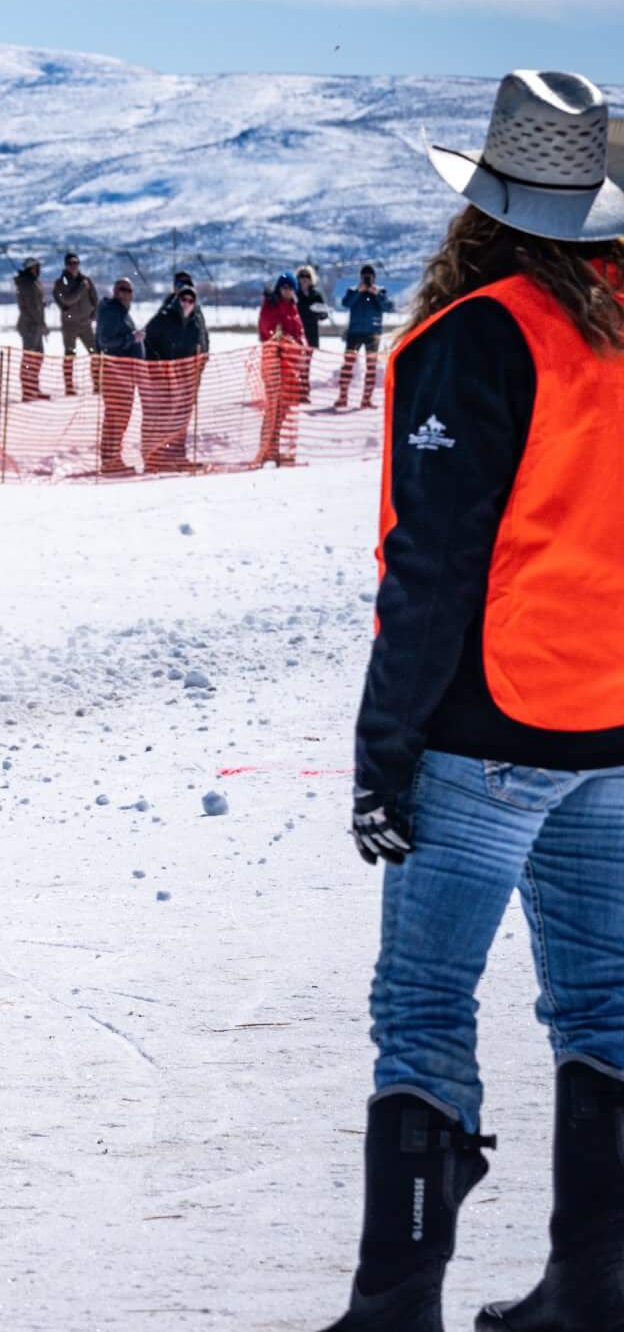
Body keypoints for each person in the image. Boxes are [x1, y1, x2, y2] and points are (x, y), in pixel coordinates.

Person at [319, 70, 624, 1332]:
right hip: (613, 724)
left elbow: (431, 565)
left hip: (489, 728)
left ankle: (396, 1305)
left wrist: (384, 746)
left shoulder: (479, 336)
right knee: (605, 1004)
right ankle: (596, 1289)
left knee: (425, 1008)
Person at [140, 281, 208, 470]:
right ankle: (153, 458)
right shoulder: (164, 317)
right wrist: (157, 365)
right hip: (162, 378)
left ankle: (177, 456)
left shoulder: (195, 322)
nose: (186, 303)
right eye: (183, 299)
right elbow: (148, 341)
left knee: (181, 419)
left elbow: (201, 345)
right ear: (177, 300)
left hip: (185, 379)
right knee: (160, 418)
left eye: (190, 300)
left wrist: (199, 365)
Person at [93, 277, 144, 475]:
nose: (125, 293)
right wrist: (132, 338)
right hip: (116, 373)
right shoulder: (110, 311)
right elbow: (106, 341)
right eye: (121, 289)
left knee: (119, 417)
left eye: (129, 290)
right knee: (116, 417)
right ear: (115, 291)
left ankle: (112, 459)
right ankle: (110, 460)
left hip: (126, 373)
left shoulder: (120, 312)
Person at [256, 274, 307, 466]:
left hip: (290, 364)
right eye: (284, 287)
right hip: (274, 363)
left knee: (283, 409)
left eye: (290, 287)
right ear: (279, 288)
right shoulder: (271, 305)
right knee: (273, 408)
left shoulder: (292, 306)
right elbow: (267, 330)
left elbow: (298, 332)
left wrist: (300, 348)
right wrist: (282, 338)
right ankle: (265, 449)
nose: (287, 290)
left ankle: (274, 448)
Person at [334, 265, 392, 410]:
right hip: (354, 333)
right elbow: (345, 303)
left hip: (372, 334)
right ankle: (342, 397)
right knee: (347, 366)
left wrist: (377, 294)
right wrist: (358, 292)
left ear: (374, 277)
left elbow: (388, 307)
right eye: (365, 275)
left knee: (371, 368)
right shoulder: (353, 290)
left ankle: (366, 400)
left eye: (370, 276)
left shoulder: (380, 291)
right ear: (360, 277)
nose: (367, 278)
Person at [53, 252, 97, 395]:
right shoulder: (60, 283)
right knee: (70, 354)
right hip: (69, 325)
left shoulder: (86, 281)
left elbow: (94, 299)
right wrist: (81, 288)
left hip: (85, 324)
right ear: (66, 265)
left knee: (95, 353)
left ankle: (98, 383)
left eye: (76, 263)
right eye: (71, 263)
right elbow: (67, 300)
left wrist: (94, 314)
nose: (74, 266)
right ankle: (69, 387)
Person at [14, 257, 50, 402]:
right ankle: (27, 391)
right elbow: (33, 308)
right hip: (30, 326)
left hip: (35, 325)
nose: (38, 270)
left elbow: (35, 304)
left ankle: (33, 388)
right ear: (32, 268)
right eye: (36, 267)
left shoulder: (31, 282)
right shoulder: (28, 284)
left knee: (38, 357)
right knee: (30, 359)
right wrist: (42, 324)